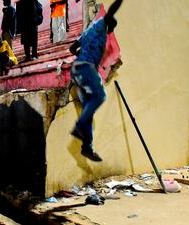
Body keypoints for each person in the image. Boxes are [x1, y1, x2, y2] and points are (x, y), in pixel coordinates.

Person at [69, 0, 123, 161]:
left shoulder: (87, 32)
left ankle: (87, 147)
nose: (110, 32)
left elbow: (72, 48)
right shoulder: (101, 25)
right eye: (111, 29)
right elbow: (111, 12)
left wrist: (83, 52)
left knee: (88, 110)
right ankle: (78, 127)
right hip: (85, 68)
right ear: (109, 24)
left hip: (77, 69)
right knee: (100, 96)